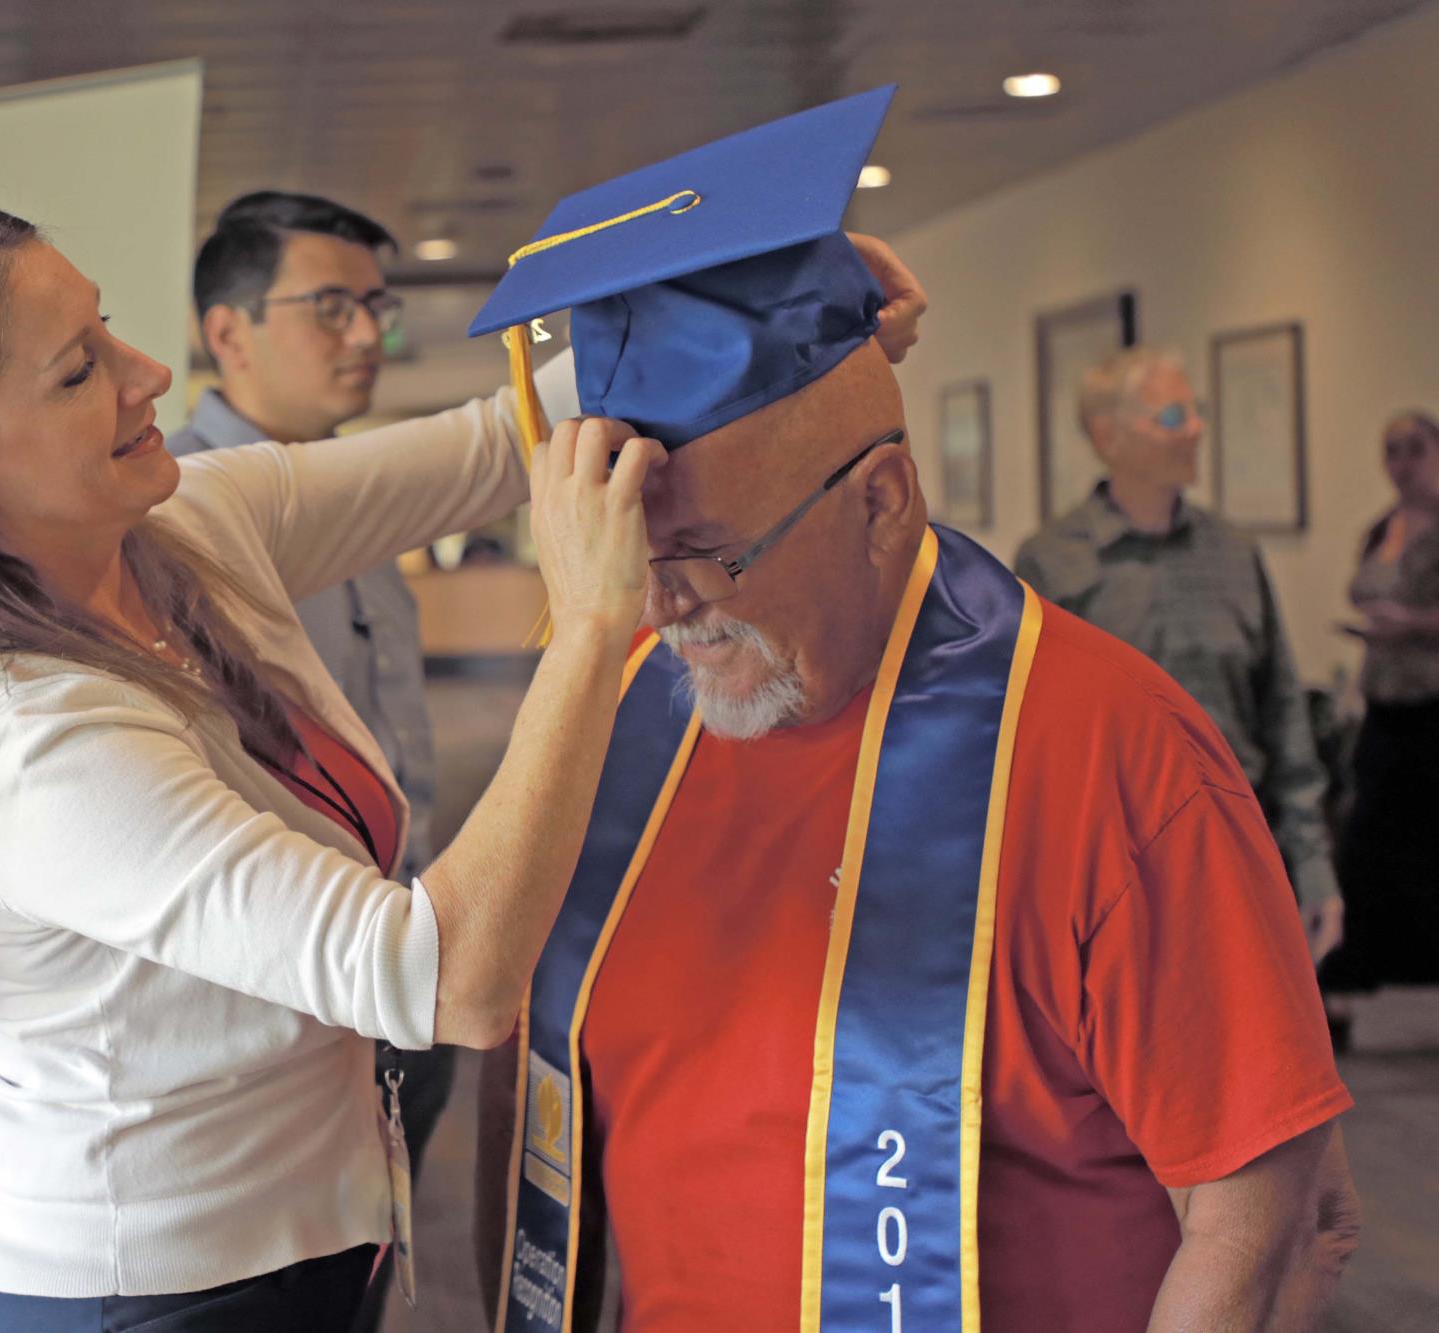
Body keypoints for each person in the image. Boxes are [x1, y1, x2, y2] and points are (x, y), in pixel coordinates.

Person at [471, 86, 1358, 1333]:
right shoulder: (613, 725)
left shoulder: (1108, 754)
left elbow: (1266, 1219)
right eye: (634, 560)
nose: (664, 610)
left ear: (883, 499)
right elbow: (530, 1089)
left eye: (711, 556)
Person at [0, 201, 666, 1330]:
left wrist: (770, 300)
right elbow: (450, 979)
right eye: (79, 371)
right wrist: (586, 625)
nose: (147, 375)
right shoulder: (30, 743)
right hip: (138, 1297)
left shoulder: (188, 530)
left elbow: (497, 439)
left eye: (110, 331)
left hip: (306, 1254)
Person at [172, 195, 453, 1325]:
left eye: (373, 307)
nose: (363, 336)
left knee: (363, 1285)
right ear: (227, 332)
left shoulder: (355, 495)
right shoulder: (177, 516)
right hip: (274, 1008)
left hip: (404, 971)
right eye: (329, 306)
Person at [1015, 346, 1344, 964]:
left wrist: (1313, 862)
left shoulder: (1234, 554)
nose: (1194, 430)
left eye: (1198, 412)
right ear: (1105, 434)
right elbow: (1029, 741)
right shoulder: (1051, 563)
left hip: (1241, 854)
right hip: (1111, 874)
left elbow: (1284, 720)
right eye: (1172, 417)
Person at [1320, 411, 1439, 1044]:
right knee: (1366, 849)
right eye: (1391, 450)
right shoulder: (1382, 529)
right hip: (1384, 708)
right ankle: (1342, 991)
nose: (1401, 462)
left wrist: (1414, 624)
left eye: (1413, 449)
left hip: (1433, 709)